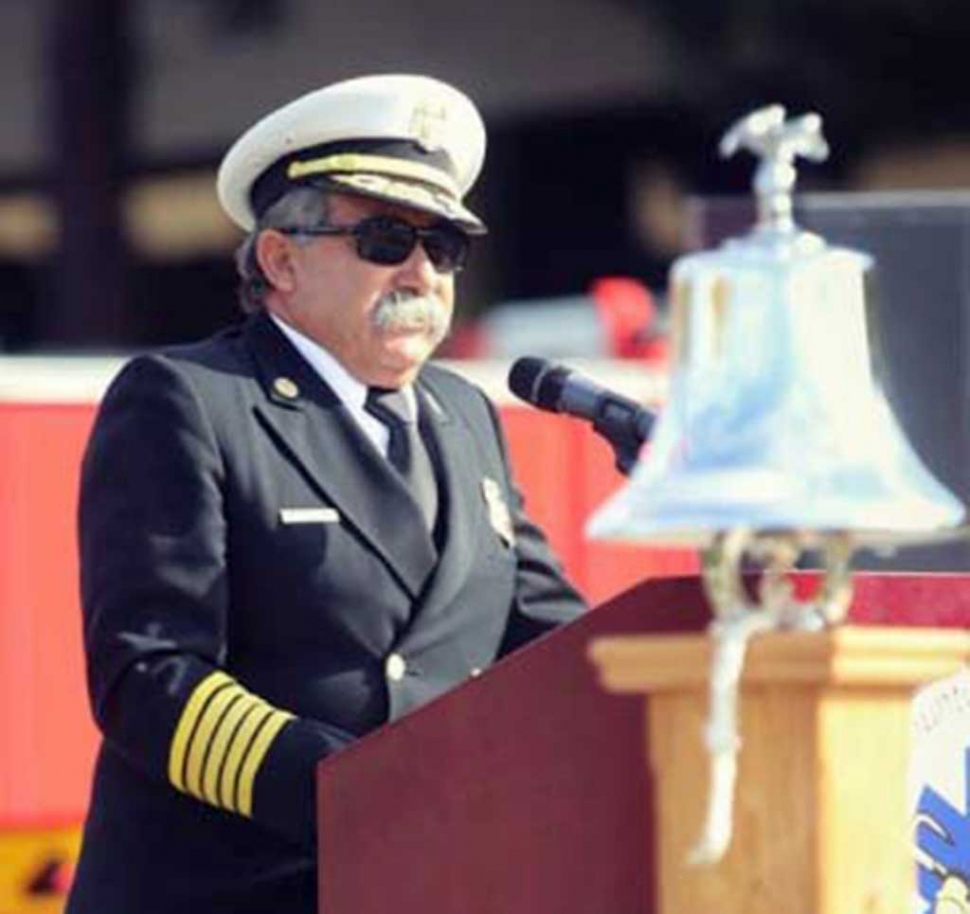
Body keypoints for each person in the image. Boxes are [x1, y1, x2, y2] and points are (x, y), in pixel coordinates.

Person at [67, 74, 586, 914]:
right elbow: (149, 672)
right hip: (237, 888)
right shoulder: (189, 399)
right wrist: (349, 791)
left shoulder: (464, 415)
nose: (422, 268)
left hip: (428, 882)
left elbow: (547, 639)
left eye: (445, 246)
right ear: (280, 259)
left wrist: (695, 682)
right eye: (385, 239)